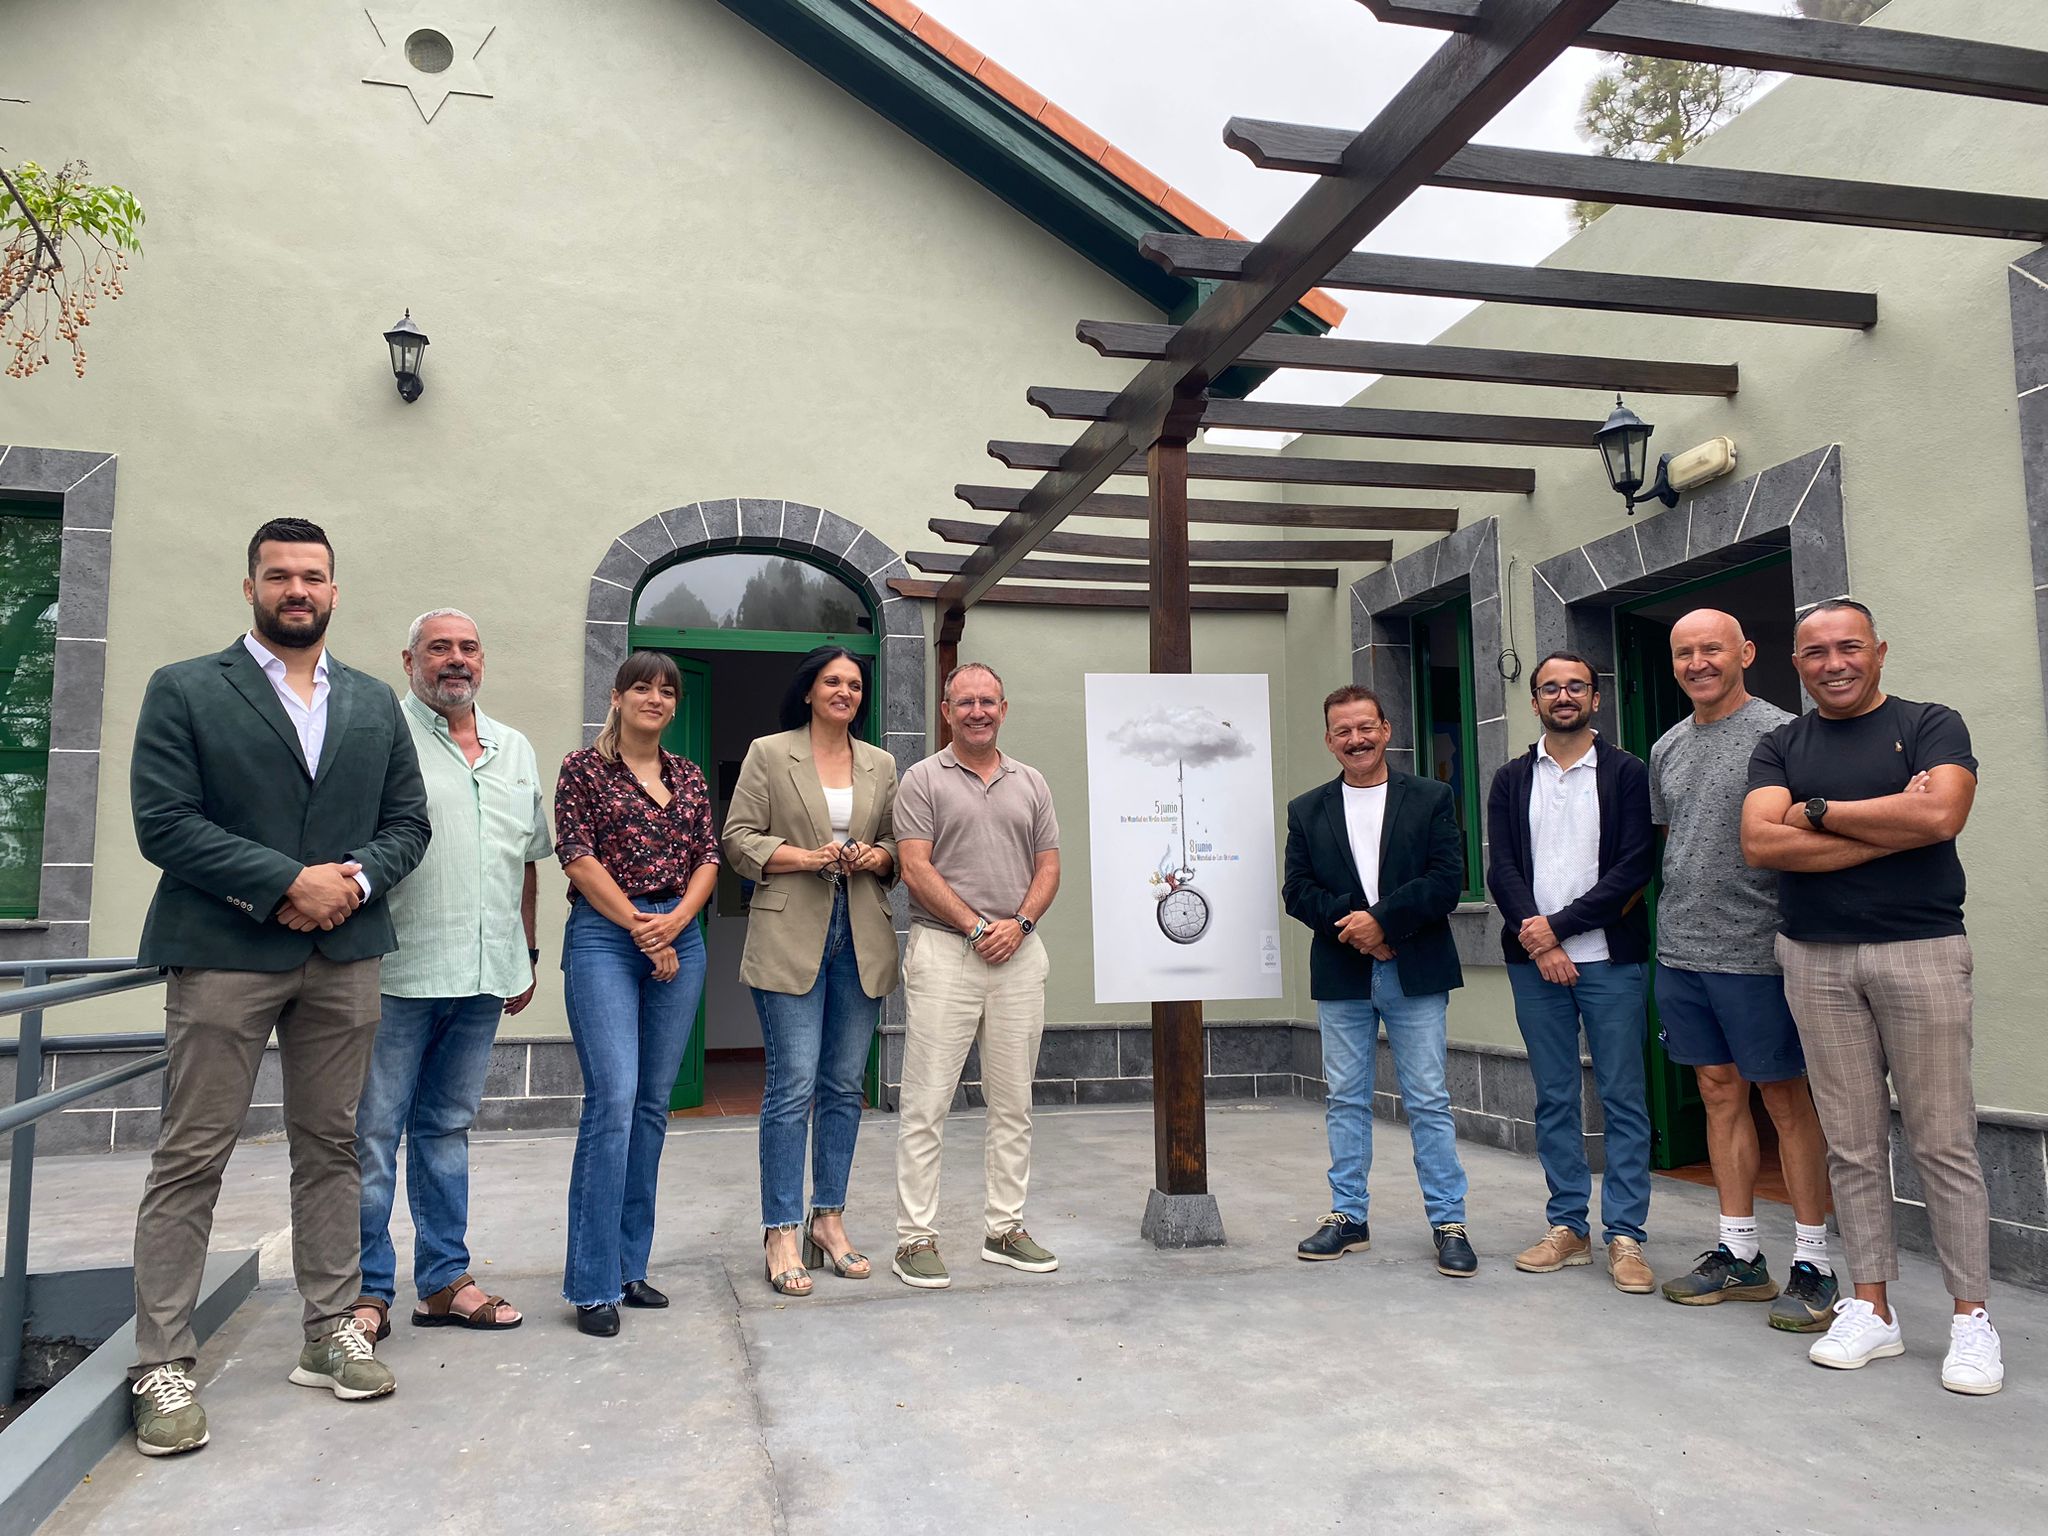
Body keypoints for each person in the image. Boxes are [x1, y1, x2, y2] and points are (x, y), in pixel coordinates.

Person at [126, 517, 430, 1456]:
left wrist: (350, 885)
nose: (297, 589)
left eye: (312, 576)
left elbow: (409, 823)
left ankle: (328, 1330)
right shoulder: (185, 688)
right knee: (192, 1154)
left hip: (343, 954)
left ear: (335, 591)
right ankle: (161, 1362)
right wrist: (286, 882)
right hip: (222, 949)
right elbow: (163, 822)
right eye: (279, 575)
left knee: (333, 1145)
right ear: (250, 586)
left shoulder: (374, 701)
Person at [1741, 599, 2001, 1394]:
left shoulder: (1929, 724)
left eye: (1849, 646)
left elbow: (1943, 812)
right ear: (1796, 665)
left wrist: (1818, 814)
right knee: (1852, 1144)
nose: (1834, 663)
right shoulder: (1781, 744)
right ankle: (1872, 1308)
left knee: (1943, 1141)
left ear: (1879, 651)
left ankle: (1971, 1319)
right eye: (1815, 652)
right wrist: (1895, 825)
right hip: (1814, 958)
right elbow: (1760, 842)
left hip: (1921, 951)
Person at [350, 610, 551, 1342]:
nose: (455, 660)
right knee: (372, 1135)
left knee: (446, 1129)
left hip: (483, 977)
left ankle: (442, 1281)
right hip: (396, 971)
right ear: (409, 661)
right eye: (439, 648)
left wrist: (525, 953)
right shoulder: (380, 737)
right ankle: (364, 1291)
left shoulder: (514, 748)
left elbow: (525, 859)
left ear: (483, 660)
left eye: (468, 648)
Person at [1648, 610, 1837, 1331]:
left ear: (1746, 653)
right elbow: (1679, 844)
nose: (1697, 663)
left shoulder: (1785, 734)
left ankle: (1814, 1262)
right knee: (1717, 1093)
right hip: (1682, 951)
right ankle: (1740, 1254)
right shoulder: (1666, 747)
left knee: (1786, 1101)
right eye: (1684, 652)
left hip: (1759, 953)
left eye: (1711, 649)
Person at [722, 647, 900, 1297]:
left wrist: (874, 857)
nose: (844, 691)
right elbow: (738, 839)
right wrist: (806, 856)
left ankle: (828, 1220)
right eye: (832, 681)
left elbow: (897, 847)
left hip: (861, 935)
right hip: (789, 931)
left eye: (854, 684)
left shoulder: (881, 763)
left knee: (844, 1085)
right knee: (792, 1086)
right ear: (808, 690)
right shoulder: (770, 753)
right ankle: (780, 1230)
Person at [1282, 686, 1476, 1276]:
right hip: (1343, 972)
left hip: (1415, 970)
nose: (1356, 739)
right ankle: (1348, 1217)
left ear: (1386, 730)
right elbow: (1297, 890)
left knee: (1428, 1099)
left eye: (1366, 727)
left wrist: (1383, 921)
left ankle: (1449, 1222)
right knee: (1344, 1098)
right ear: (1329, 741)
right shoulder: (1306, 809)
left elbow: (1447, 879)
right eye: (1343, 731)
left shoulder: (1432, 797)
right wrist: (1358, 928)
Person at [552, 651, 719, 1337]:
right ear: (617, 697)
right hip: (606, 935)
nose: (656, 698)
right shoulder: (583, 769)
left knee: (652, 1105)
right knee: (614, 1100)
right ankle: (592, 1283)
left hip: (680, 930)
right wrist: (644, 930)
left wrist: (676, 923)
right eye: (642, 688)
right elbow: (577, 856)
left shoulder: (689, 776)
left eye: (667, 691)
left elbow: (708, 858)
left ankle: (629, 1267)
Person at [1486, 651, 1657, 1294]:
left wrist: (1556, 928)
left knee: (1623, 1096)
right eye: (1551, 688)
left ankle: (1626, 1235)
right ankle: (1568, 1227)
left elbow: (1634, 866)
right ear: (1534, 701)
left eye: (1575, 686)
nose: (1564, 696)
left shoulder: (1627, 773)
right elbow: (1502, 868)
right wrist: (1541, 942)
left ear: (1595, 698)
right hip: (1535, 965)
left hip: (1610, 959)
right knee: (1554, 1096)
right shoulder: (1510, 778)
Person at [891, 662, 1060, 1290]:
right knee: (926, 1104)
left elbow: (1049, 867)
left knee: (1013, 1104)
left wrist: (1018, 924)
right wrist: (976, 927)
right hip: (945, 953)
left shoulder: (1031, 782)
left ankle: (1005, 1229)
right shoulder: (921, 779)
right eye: (965, 702)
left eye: (988, 701)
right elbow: (914, 867)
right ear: (946, 711)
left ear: (1004, 709)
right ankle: (914, 1238)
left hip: (1019, 953)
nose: (977, 712)